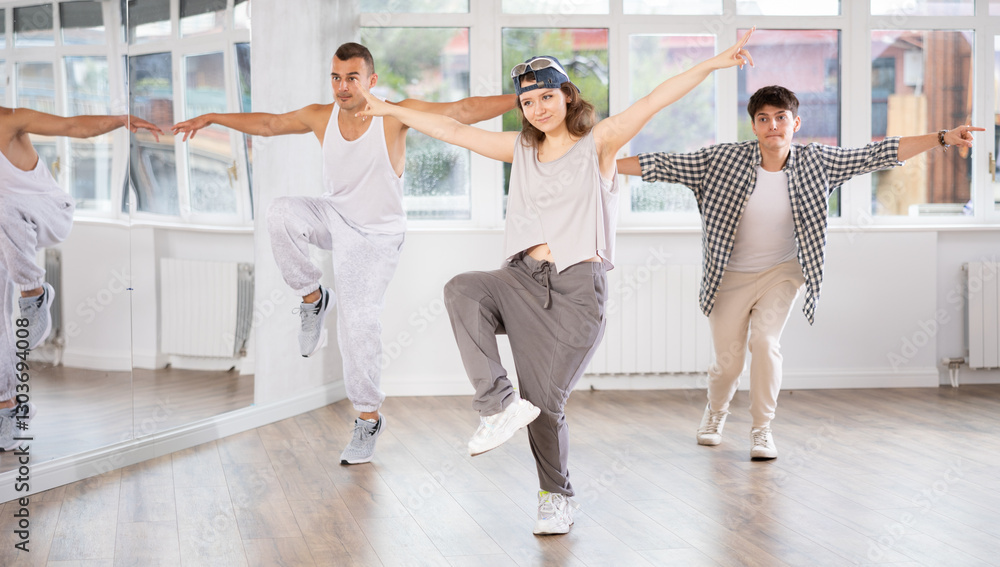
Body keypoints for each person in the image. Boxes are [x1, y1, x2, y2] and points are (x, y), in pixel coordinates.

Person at [356, 31, 754, 534]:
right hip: (520, 279)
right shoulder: (519, 150)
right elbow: (451, 131)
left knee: (545, 405)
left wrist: (715, 62)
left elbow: (656, 99)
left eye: (547, 95)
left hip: (576, 291)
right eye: (528, 101)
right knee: (463, 288)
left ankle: (556, 495)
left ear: (567, 95)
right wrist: (387, 108)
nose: (538, 107)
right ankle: (498, 406)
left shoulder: (599, 144)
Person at [171, 42, 516, 466]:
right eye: (336, 77)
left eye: (352, 77)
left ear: (371, 80)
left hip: (376, 237)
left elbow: (463, 110)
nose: (342, 86)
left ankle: (368, 419)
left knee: (359, 325)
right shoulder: (322, 116)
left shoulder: (395, 116)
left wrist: (525, 98)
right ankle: (313, 300)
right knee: (280, 213)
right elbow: (267, 123)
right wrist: (213, 117)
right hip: (334, 216)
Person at [618, 85, 984, 461]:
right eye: (763, 119)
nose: (772, 125)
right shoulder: (722, 160)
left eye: (780, 118)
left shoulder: (817, 162)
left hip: (782, 272)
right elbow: (661, 164)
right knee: (728, 364)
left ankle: (762, 429)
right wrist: (597, 162)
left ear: (795, 122)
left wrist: (942, 138)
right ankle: (716, 412)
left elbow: (879, 153)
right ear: (754, 126)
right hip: (728, 276)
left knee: (764, 342)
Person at [1, 108, 162, 451]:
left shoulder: (8, 120)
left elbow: (72, 125)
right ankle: (7, 406)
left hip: (49, 213)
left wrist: (120, 119)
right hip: (9, 234)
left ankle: (34, 293)